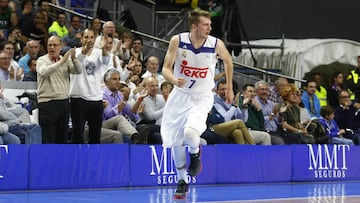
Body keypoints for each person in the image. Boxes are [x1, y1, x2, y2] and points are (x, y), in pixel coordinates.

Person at [160, 8, 234, 198]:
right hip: (180, 95)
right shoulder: (178, 40)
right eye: (205, 25)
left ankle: (195, 153)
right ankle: (182, 180)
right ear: (194, 26)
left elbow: (228, 61)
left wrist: (230, 87)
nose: (210, 27)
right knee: (175, 139)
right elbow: (166, 69)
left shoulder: (216, 44)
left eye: (210, 24)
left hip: (202, 96)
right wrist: (174, 80)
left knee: (190, 132)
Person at [37, 36, 81, 143]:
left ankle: (61, 159)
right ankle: (48, 159)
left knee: (62, 138)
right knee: (48, 138)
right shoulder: (41, 60)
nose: (52, 47)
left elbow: (78, 71)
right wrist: (62, 62)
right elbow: (44, 72)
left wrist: (74, 59)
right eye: (49, 45)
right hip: (47, 103)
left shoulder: (64, 60)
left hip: (63, 102)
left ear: (61, 47)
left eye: (55, 45)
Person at [69, 28, 110, 144]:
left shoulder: (98, 52)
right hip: (79, 98)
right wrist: (85, 50)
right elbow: (77, 62)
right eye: (86, 37)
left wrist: (103, 47)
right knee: (78, 135)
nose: (89, 40)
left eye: (92, 37)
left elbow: (106, 61)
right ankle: (77, 160)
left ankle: (94, 160)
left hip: (96, 99)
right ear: (81, 39)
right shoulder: (75, 52)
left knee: (95, 136)